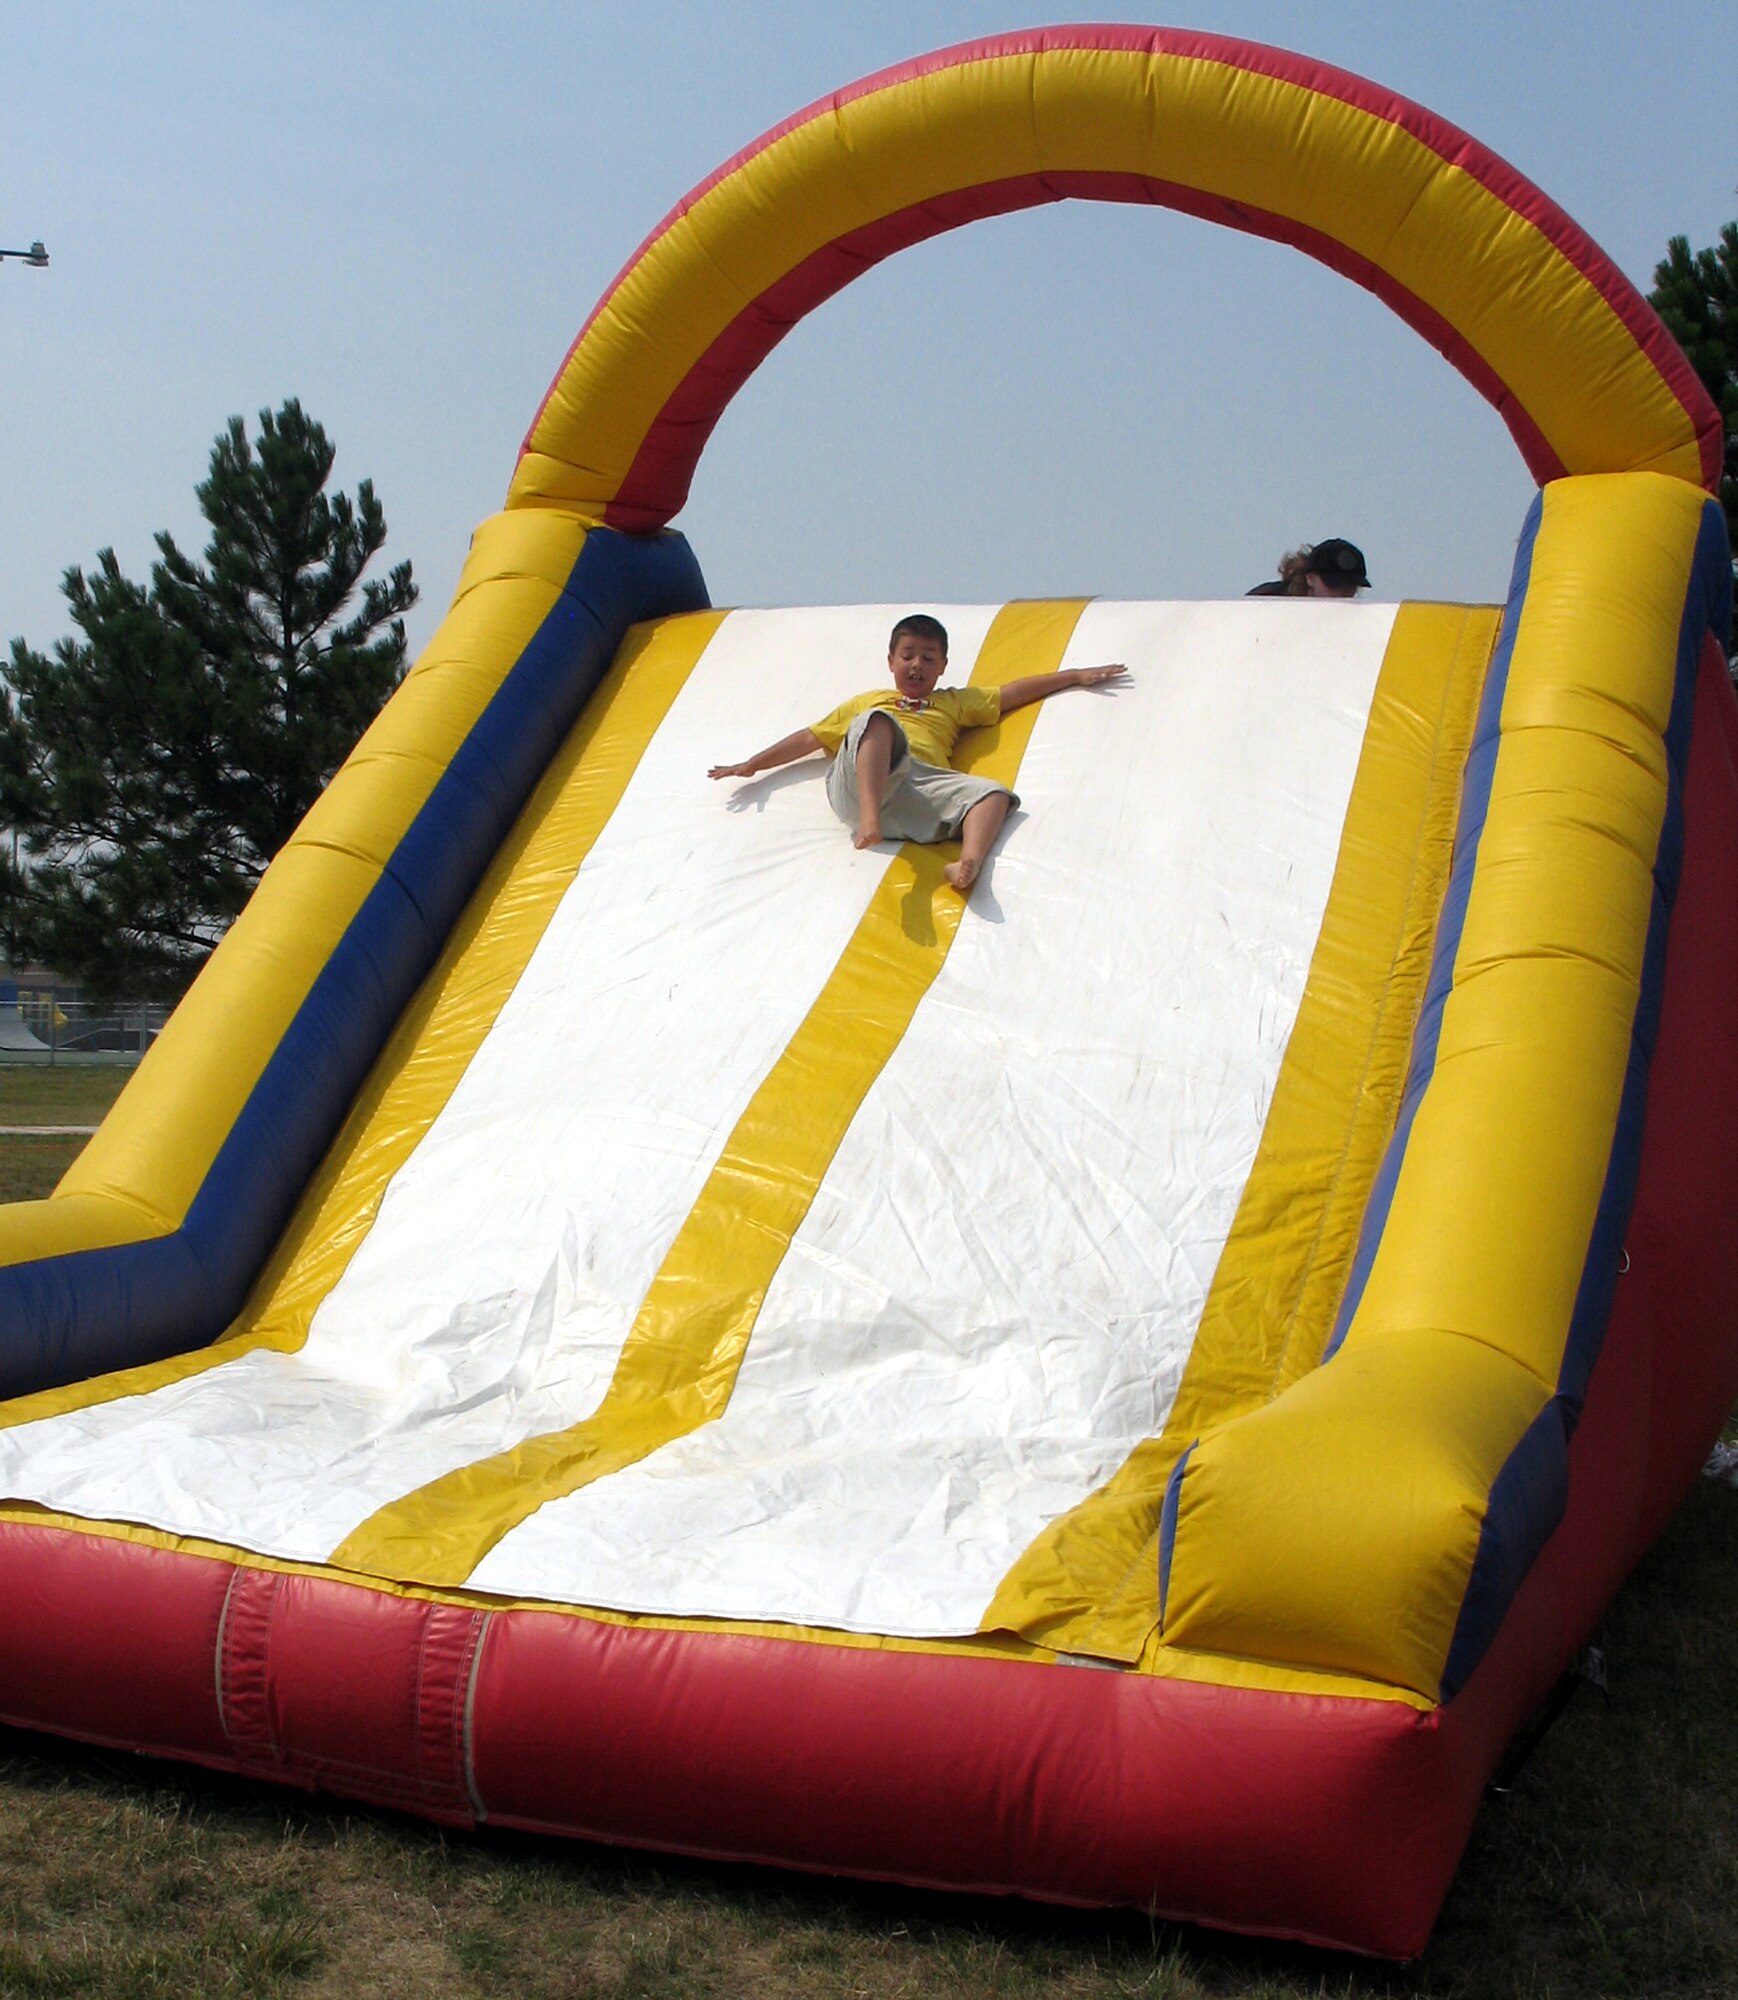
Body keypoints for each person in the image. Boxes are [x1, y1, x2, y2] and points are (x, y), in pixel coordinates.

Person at [708, 613, 1127, 893]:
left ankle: (968, 863)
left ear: (943, 666)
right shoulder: (872, 701)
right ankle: (870, 819)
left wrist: (1074, 676)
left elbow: (1012, 692)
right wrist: (752, 766)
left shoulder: (952, 702)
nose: (916, 665)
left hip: (918, 794)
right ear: (891, 660)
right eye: (907, 656)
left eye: (928, 658)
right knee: (877, 722)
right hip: (861, 787)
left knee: (994, 794)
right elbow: (810, 737)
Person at [1246, 537, 1371, 598]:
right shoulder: (1265, 600)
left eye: (1350, 588)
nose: (1342, 594)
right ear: (1310, 579)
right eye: (1334, 584)